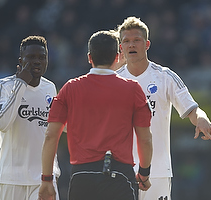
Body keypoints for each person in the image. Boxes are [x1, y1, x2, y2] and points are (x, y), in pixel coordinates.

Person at [38, 30, 153, 200]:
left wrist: (47, 179)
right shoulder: (133, 89)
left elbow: (50, 136)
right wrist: (144, 173)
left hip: (82, 178)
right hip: (119, 176)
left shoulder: (70, 88)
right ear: (117, 56)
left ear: (90, 58)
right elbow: (145, 138)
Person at [116, 16, 211, 200]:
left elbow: (192, 108)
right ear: (121, 47)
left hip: (157, 170)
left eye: (136, 40)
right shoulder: (114, 80)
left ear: (146, 44)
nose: (131, 45)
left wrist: (201, 118)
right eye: (126, 41)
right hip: (121, 170)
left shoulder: (164, 77)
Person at [0, 35, 60, 200]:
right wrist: (21, 84)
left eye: (41, 57)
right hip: (12, 179)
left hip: (44, 178)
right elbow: (2, 124)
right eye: (31, 57)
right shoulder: (4, 86)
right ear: (21, 60)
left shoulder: (49, 88)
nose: (37, 61)